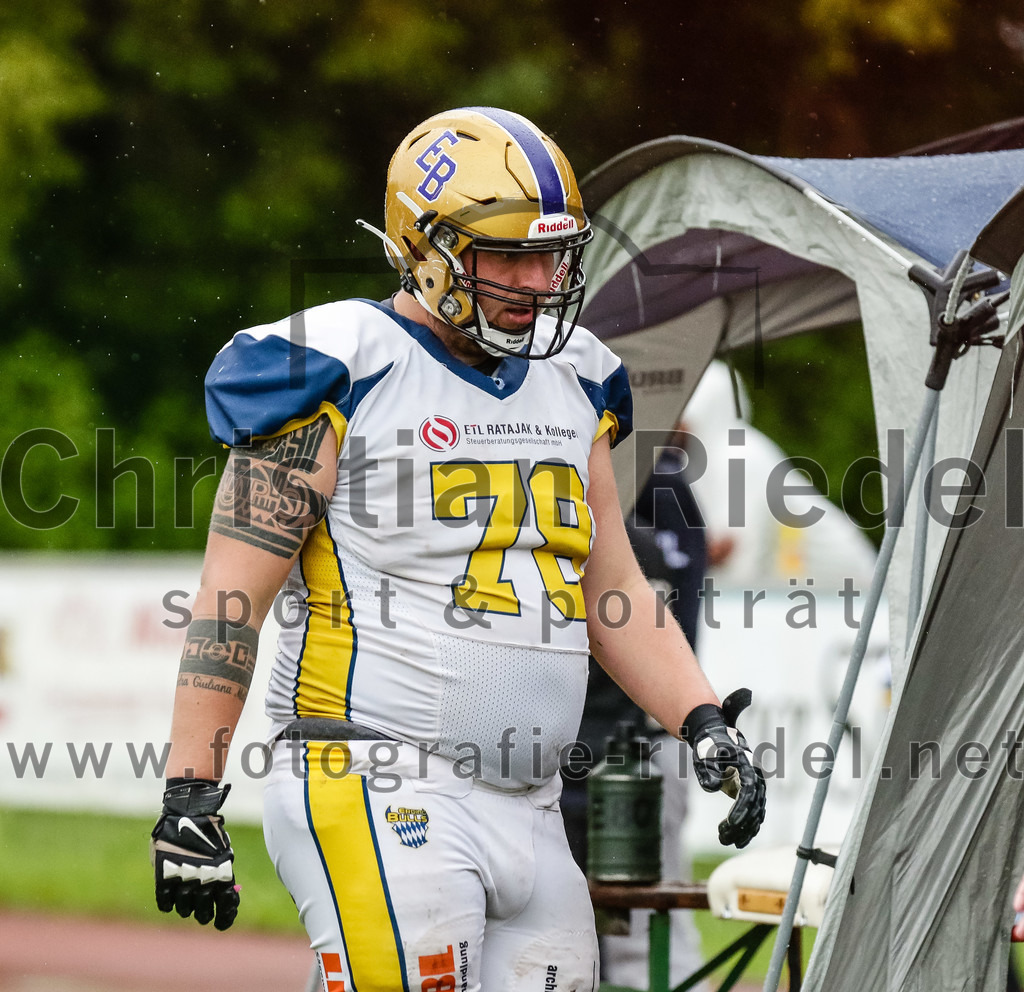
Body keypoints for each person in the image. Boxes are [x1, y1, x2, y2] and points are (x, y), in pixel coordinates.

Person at [148, 106, 766, 992]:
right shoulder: (337, 364)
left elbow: (610, 586)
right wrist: (190, 791)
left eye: (551, 253)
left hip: (536, 805)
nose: (536, 279)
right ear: (423, 246)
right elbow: (230, 598)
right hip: (374, 774)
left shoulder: (578, 375)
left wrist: (702, 719)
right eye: (506, 253)